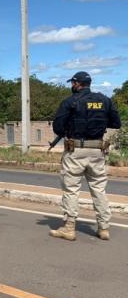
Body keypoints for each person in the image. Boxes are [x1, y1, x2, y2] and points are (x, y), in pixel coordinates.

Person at [50, 71, 122, 241]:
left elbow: (58, 128)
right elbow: (116, 123)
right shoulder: (105, 100)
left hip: (76, 151)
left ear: (77, 83)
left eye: (72, 83)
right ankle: (104, 228)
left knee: (71, 189)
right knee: (99, 189)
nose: (71, 86)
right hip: (98, 150)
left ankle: (69, 228)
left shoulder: (70, 102)